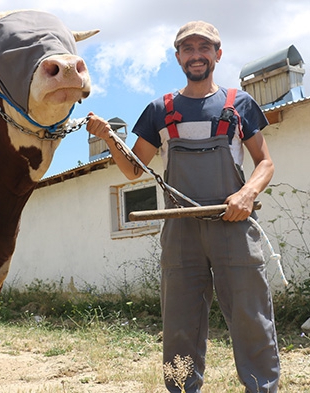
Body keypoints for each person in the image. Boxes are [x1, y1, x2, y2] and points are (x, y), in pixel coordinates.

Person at [86, 21, 280, 392]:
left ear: (217, 55)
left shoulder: (239, 104)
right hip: (181, 233)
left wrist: (247, 194)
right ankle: (181, 388)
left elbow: (265, 163)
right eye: (187, 49)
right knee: (179, 323)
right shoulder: (160, 110)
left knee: (251, 317)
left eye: (203, 48)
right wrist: (109, 137)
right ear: (178, 57)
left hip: (233, 225)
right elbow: (132, 170)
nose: (196, 55)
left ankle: (262, 388)